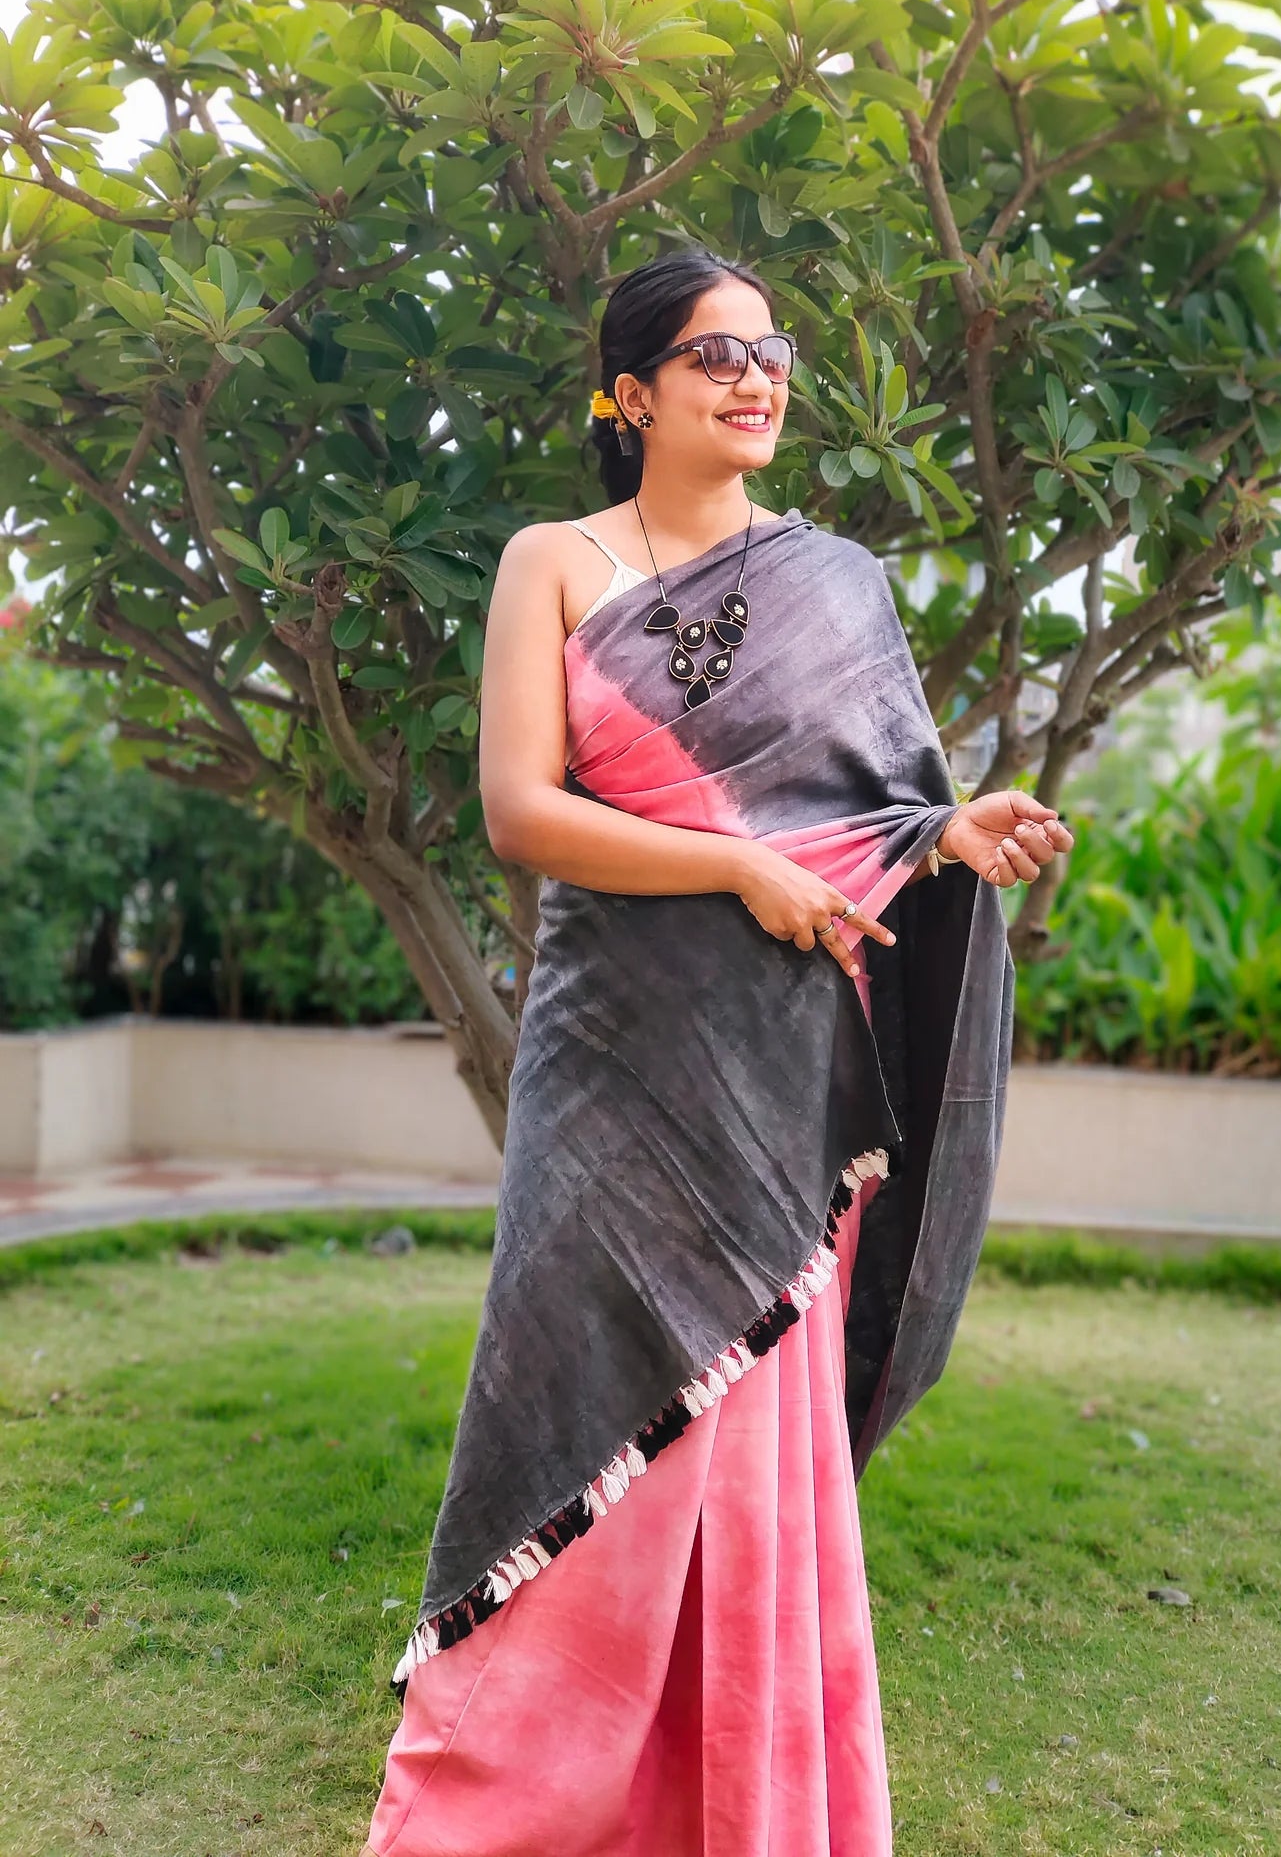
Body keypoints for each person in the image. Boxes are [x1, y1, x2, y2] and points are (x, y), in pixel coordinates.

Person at [360, 247, 1071, 1856]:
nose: (755, 379)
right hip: (611, 1055)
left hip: (780, 1077)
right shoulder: (554, 561)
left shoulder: (840, 584)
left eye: (769, 351)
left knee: (746, 1444)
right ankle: (500, 1813)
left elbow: (869, 820)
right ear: (629, 394)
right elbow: (521, 812)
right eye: (712, 355)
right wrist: (737, 866)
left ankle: (736, 1818)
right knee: (566, 1398)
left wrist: (950, 834)